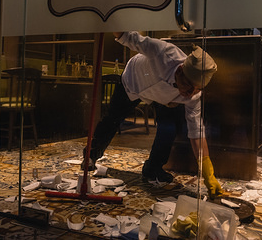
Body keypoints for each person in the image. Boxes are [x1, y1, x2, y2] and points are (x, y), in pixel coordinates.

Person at [83, 31, 223, 198]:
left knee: (169, 128)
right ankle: (90, 156)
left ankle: (153, 169)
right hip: (133, 81)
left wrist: (207, 170)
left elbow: (196, 132)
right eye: (187, 84)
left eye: (197, 89)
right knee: (112, 119)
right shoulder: (163, 52)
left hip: (164, 99)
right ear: (179, 71)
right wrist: (109, 22)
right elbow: (128, 37)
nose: (190, 93)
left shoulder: (192, 96)